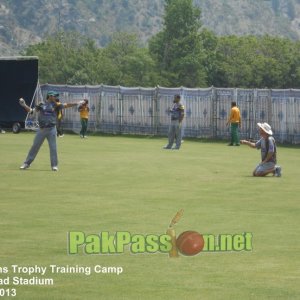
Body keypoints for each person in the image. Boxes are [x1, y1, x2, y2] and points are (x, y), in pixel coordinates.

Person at [19, 91, 81, 171]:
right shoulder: (41, 104)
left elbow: (66, 105)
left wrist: (77, 103)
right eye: (54, 96)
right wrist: (24, 105)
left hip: (52, 129)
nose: (55, 97)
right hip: (41, 129)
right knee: (35, 146)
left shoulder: (56, 105)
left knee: (53, 148)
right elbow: (31, 111)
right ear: (50, 96)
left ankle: (54, 166)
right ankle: (26, 163)